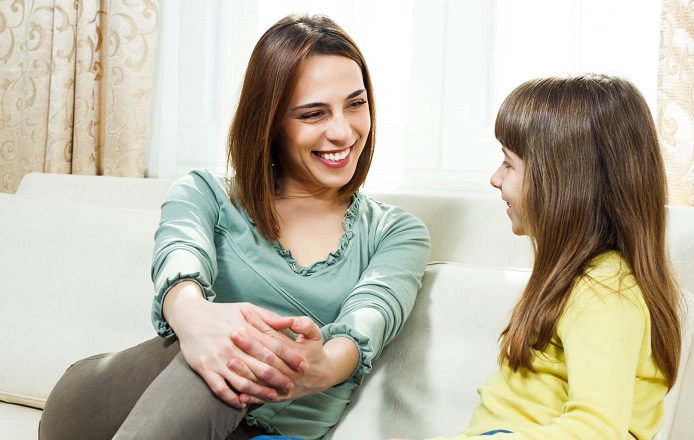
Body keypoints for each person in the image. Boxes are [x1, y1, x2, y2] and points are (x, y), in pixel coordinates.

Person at [39, 14, 430, 440]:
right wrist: (198, 321)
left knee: (240, 355)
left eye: (355, 104)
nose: (342, 131)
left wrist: (322, 368)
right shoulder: (205, 193)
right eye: (313, 113)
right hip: (101, 403)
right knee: (230, 352)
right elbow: (180, 255)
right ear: (270, 122)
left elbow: (370, 318)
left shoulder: (396, 233)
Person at [393, 74, 683, 439]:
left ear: (563, 181)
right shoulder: (582, 280)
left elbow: (597, 429)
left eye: (509, 164)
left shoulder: (605, 291)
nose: (495, 178)